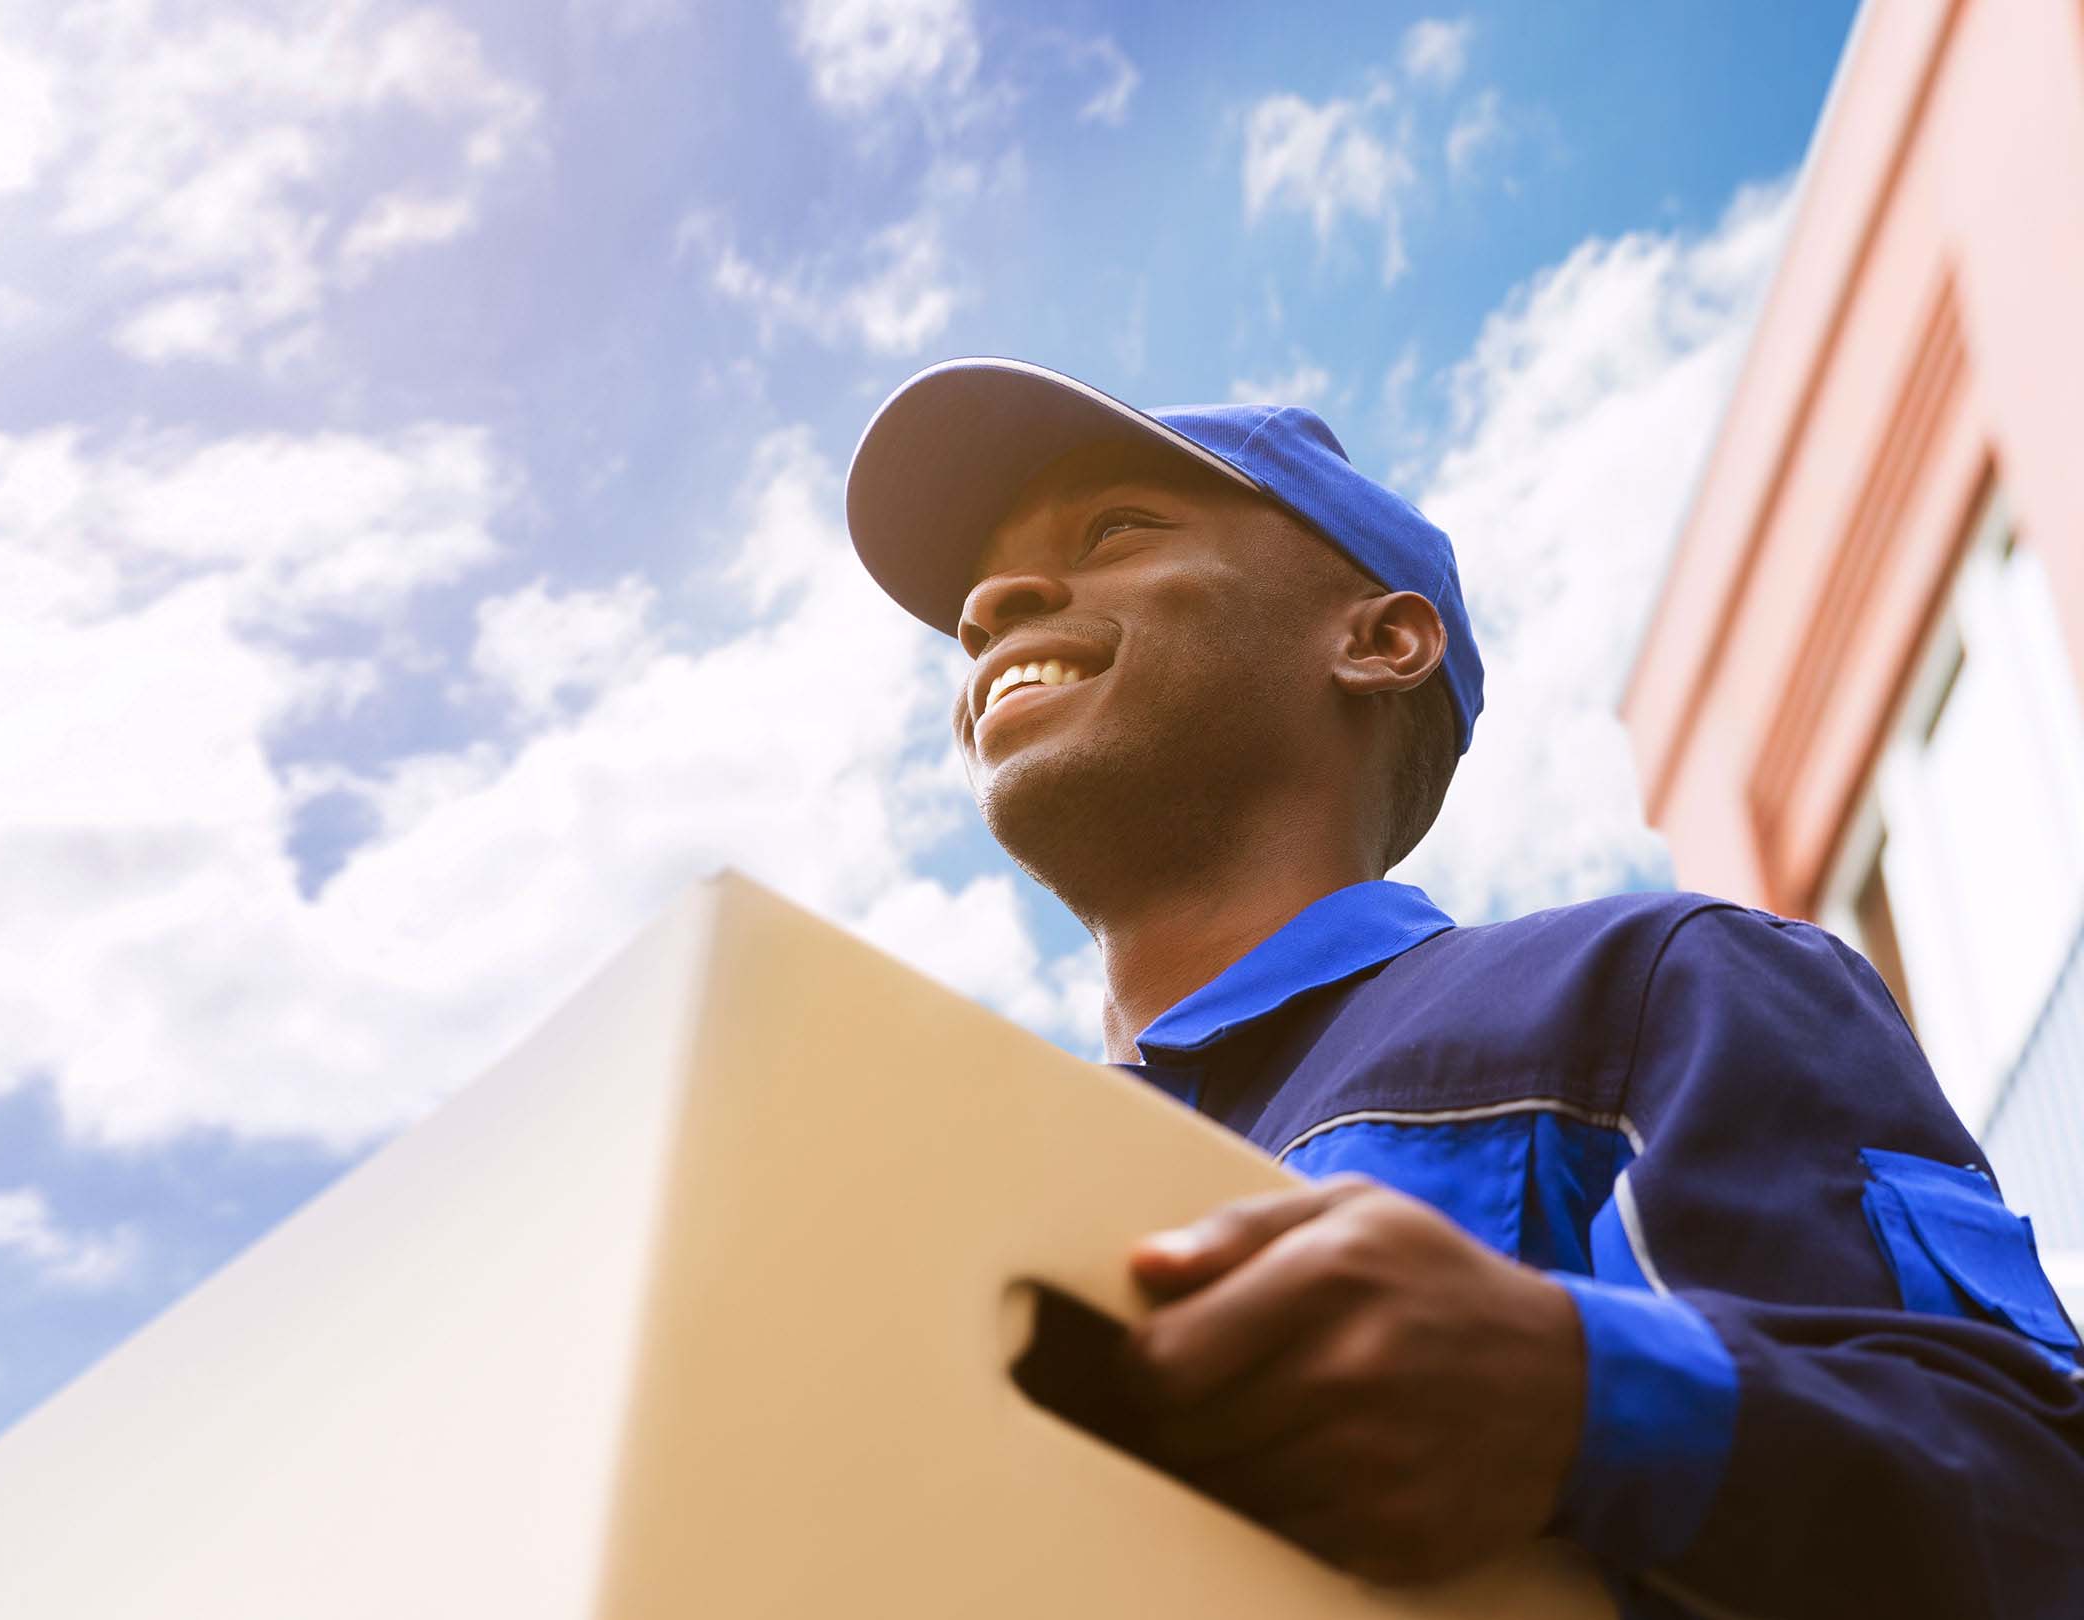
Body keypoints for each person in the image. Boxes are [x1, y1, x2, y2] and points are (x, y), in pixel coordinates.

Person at [843, 357, 2084, 1618]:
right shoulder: (964, 1204)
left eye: (1114, 528)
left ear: (1381, 640)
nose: (989, 606)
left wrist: (1583, 1397)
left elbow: (2043, 1498)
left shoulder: (1654, 989)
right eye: (973, 606)